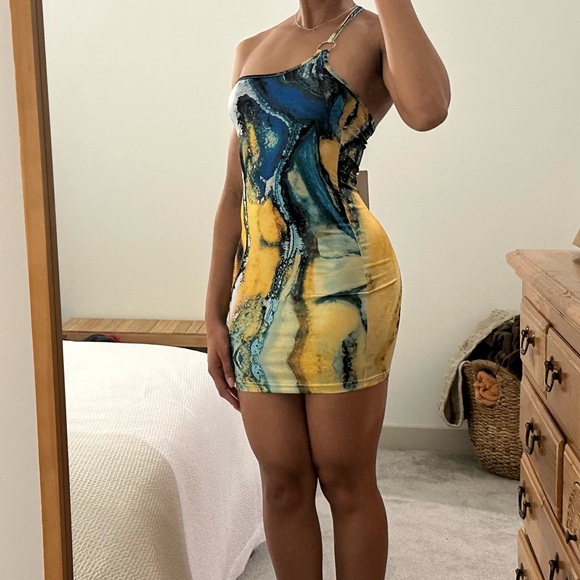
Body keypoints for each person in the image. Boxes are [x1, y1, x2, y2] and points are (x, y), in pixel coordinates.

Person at [205, 1, 450, 578]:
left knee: (346, 477)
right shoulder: (250, 49)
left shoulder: (372, 33)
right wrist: (213, 311)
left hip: (347, 281)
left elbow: (427, 110)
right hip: (261, 289)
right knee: (282, 480)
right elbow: (237, 190)